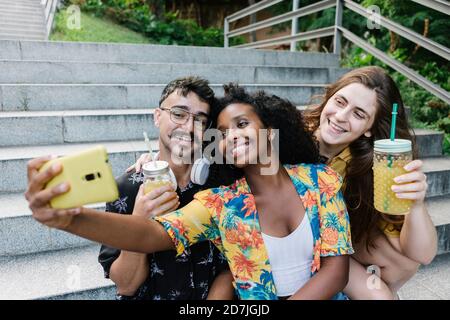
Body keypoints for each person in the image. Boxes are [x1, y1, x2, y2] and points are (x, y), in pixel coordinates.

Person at [26, 85, 354, 300]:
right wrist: (71, 219)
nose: (232, 137)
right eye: (222, 133)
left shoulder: (320, 180)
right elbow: (151, 233)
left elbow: (336, 271)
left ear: (269, 130)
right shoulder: (222, 202)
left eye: (242, 124)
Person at [302, 66, 437, 299]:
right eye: (340, 102)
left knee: (402, 261)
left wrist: (416, 204)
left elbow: (423, 255)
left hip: (334, 245)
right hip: (294, 242)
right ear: (328, 100)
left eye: (359, 114)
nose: (341, 116)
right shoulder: (293, 137)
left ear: (368, 130)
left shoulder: (368, 164)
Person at [98, 76, 233, 299]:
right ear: (157, 116)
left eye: (199, 119)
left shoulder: (219, 181)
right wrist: (139, 221)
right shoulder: (125, 188)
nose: (189, 127)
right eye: (178, 114)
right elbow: (126, 286)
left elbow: (231, 263)